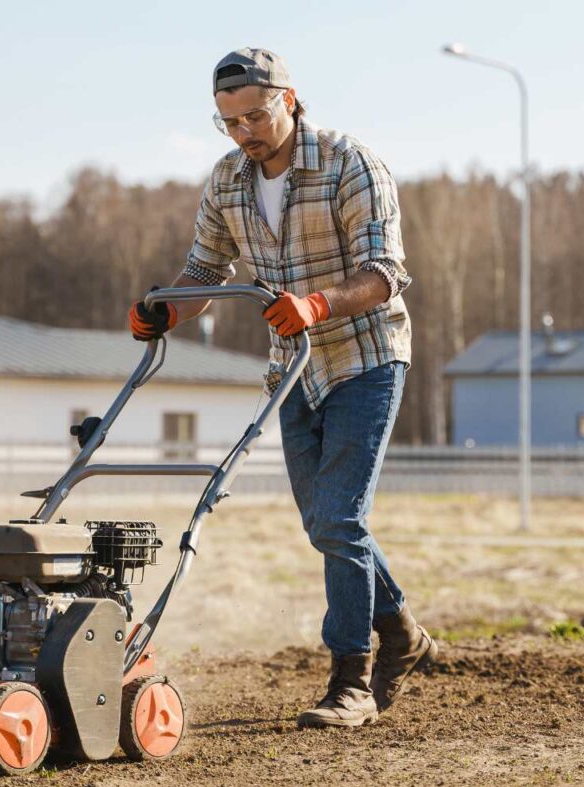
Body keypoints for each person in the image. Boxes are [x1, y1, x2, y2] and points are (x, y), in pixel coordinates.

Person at [128, 47, 435, 729]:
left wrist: (319, 304)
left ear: (289, 100)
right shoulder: (228, 183)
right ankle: (406, 635)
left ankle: (352, 681)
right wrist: (162, 310)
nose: (245, 133)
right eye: (229, 122)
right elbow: (204, 273)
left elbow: (386, 273)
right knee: (325, 521)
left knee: (338, 517)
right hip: (293, 369)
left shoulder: (350, 162)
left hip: (365, 355)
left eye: (255, 116)